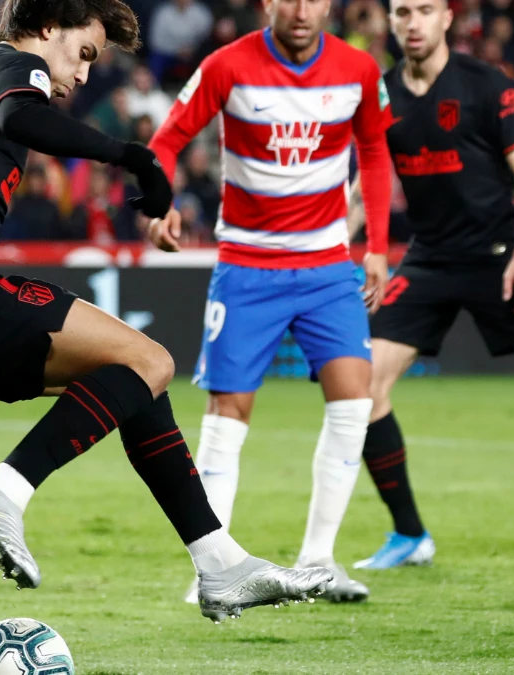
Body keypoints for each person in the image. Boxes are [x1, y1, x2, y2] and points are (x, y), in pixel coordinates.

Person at [0, 0, 333, 625]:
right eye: (84, 53)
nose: (84, 76)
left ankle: (219, 562)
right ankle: (3, 493)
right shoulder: (12, 65)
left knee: (134, 380)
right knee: (151, 358)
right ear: (49, 27)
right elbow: (20, 115)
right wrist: (132, 155)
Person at [145, 0, 393, 604]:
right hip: (248, 265)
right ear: (267, 4)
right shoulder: (228, 65)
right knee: (228, 413)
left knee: (354, 401)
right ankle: (214, 565)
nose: (302, 9)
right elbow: (168, 139)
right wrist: (159, 205)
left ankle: (319, 559)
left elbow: (376, 154)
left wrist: (378, 246)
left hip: (327, 265)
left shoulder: (359, 70)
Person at [348, 0, 514, 570]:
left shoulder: (487, 84)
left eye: (424, 11)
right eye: (402, 12)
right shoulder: (380, 94)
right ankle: (410, 535)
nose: (412, 22)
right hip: (429, 260)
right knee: (360, 390)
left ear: (446, 20)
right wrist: (338, 246)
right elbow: (366, 188)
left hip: (498, 255)